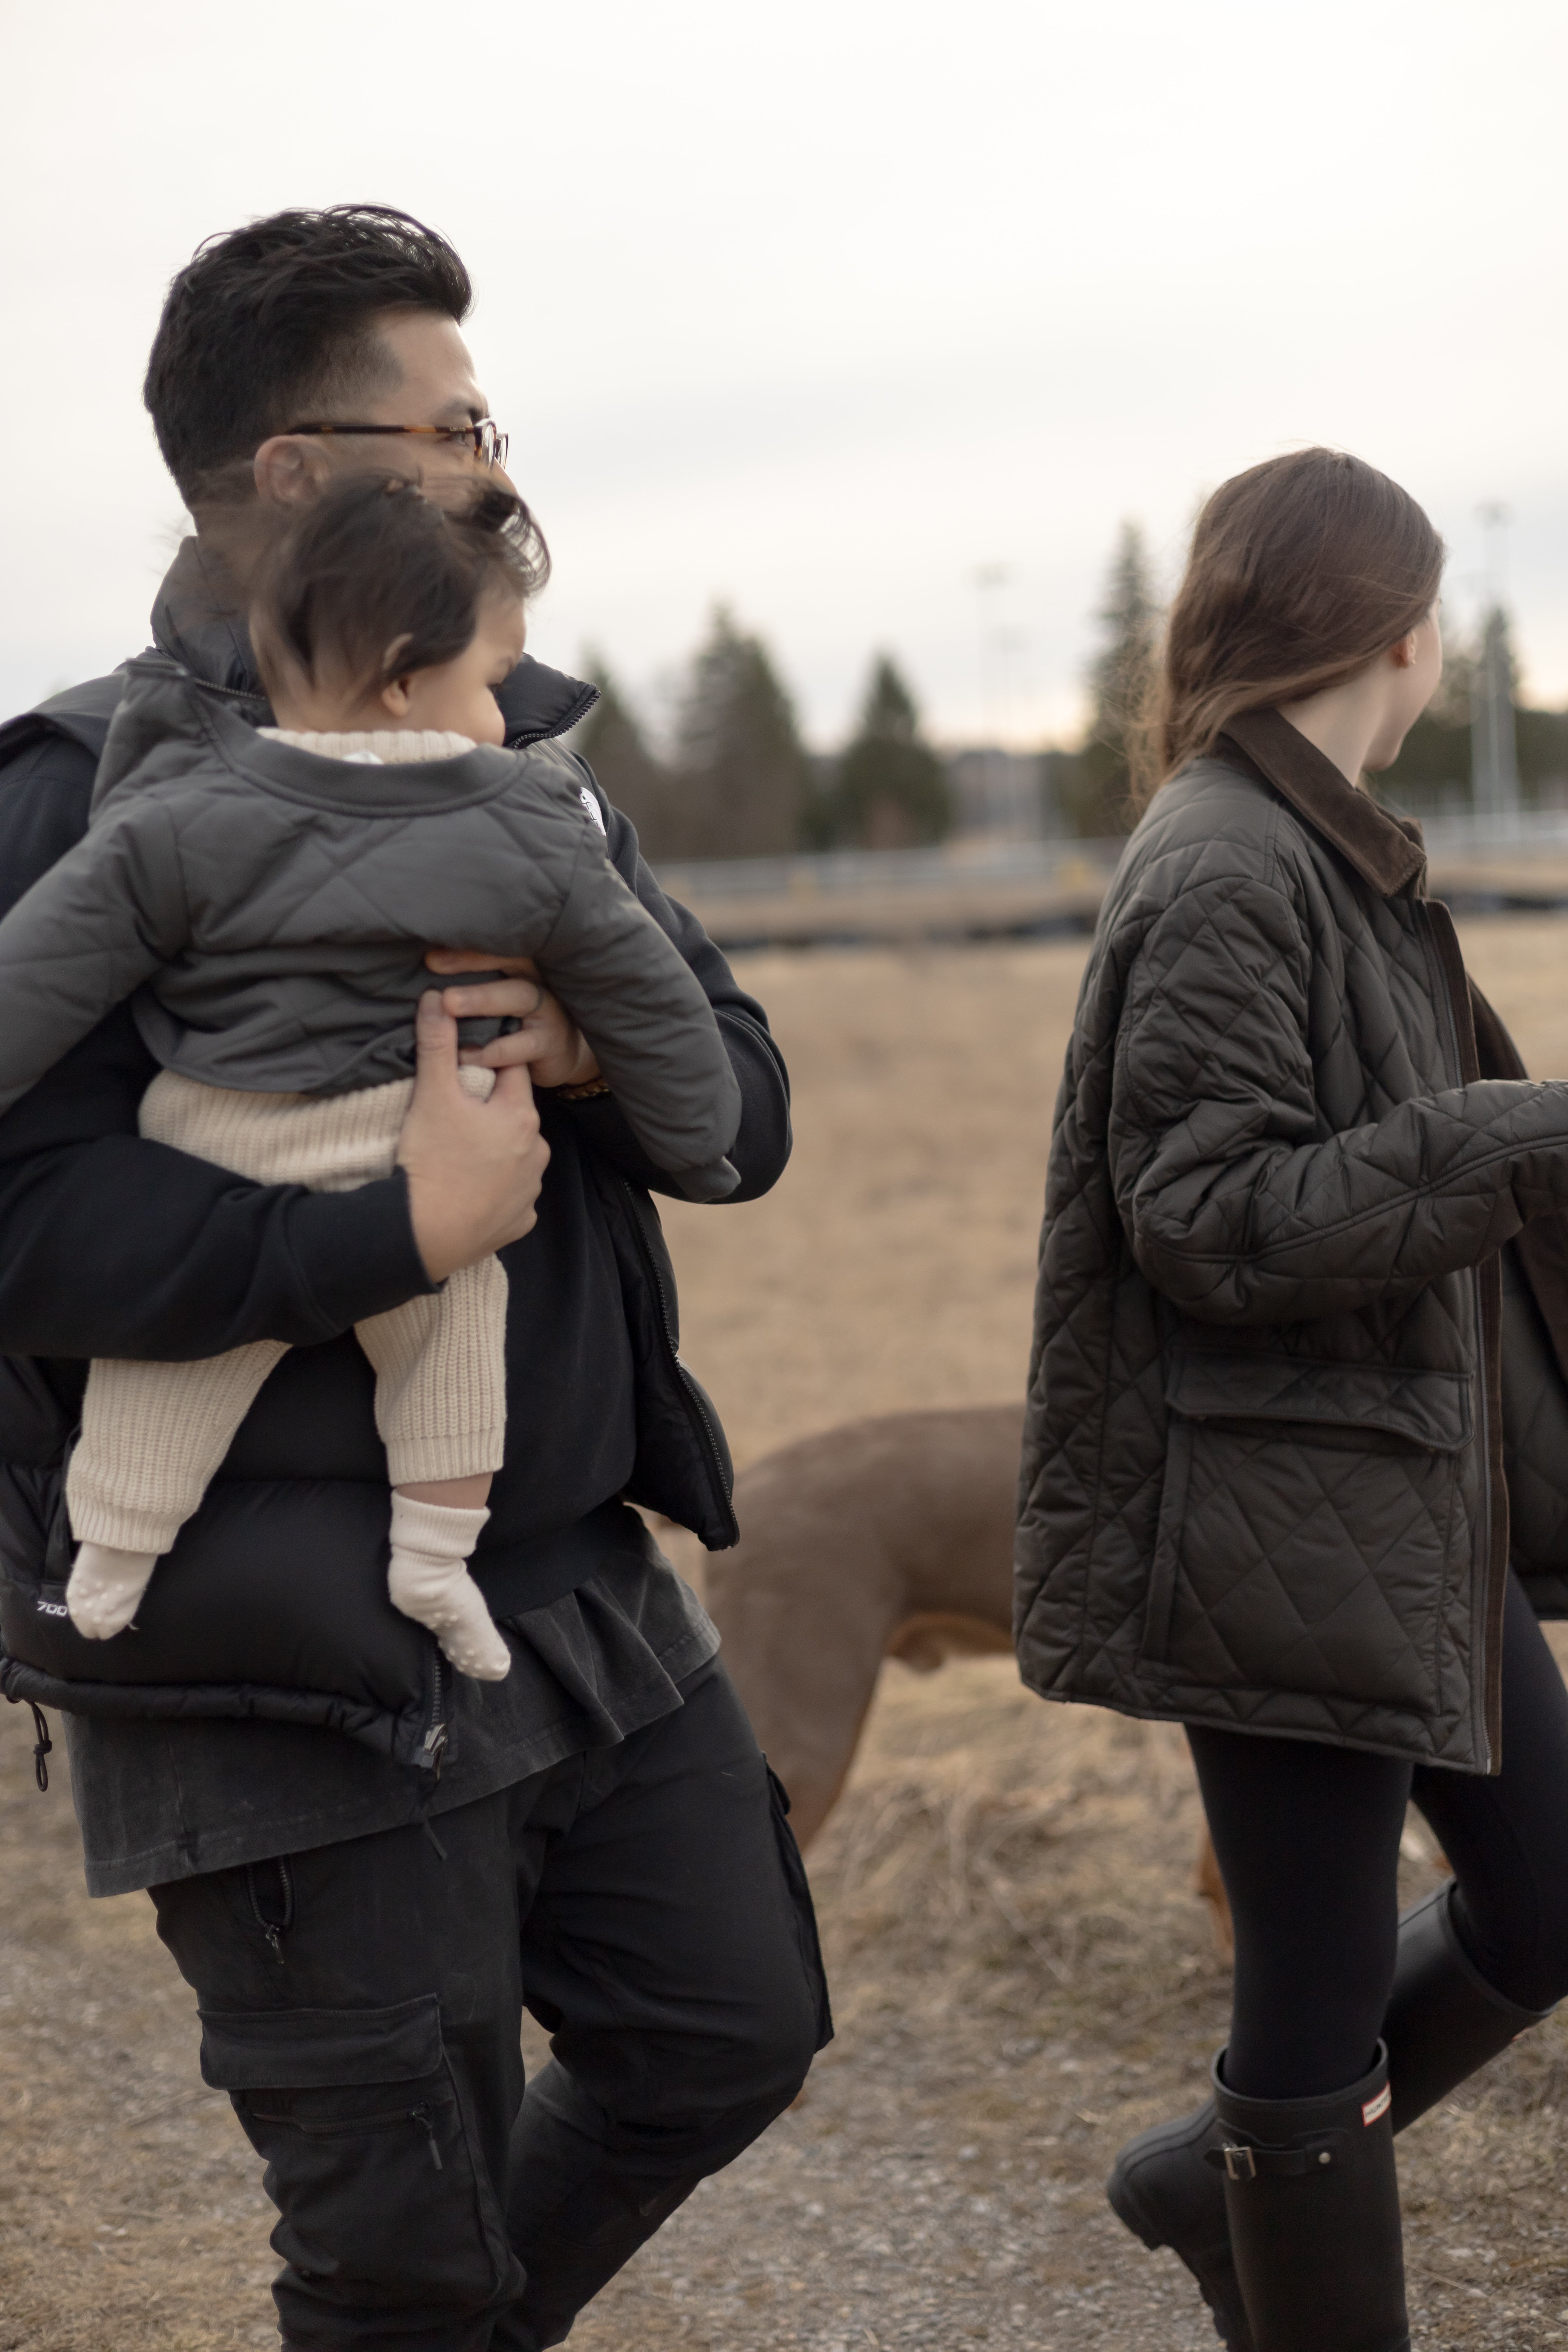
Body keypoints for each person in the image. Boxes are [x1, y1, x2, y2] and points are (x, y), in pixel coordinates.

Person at [0, 205, 829, 2352]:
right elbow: (33, 1234)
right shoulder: (80, 797)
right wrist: (393, 1233)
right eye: (454, 427)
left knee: (728, 2036)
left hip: (580, 1596)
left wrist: (586, 1046)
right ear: (295, 471)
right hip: (277, 1663)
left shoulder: (519, 755)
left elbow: (741, 1105)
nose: (493, 464)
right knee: (397, 2248)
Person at [1014, 447, 1568, 2352]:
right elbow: (1207, 1212)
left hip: (1395, 1494)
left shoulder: (1321, 849)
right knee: (1311, 2014)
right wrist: (1513, 1137)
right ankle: (1257, 2197)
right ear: (1399, 632)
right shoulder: (1227, 858)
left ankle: (1208, 2185)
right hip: (1270, 1517)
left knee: (1547, 1898)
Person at [0, 471, 743, 1678]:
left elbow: (38, 982)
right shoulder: (528, 815)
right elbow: (653, 1001)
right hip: (419, 1142)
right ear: (406, 678)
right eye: (492, 683)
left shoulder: (175, 805)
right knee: (455, 1351)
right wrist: (691, 1130)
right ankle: (435, 1561)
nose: (502, 716)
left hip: (223, 1138)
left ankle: (114, 1556)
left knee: (170, 1377)